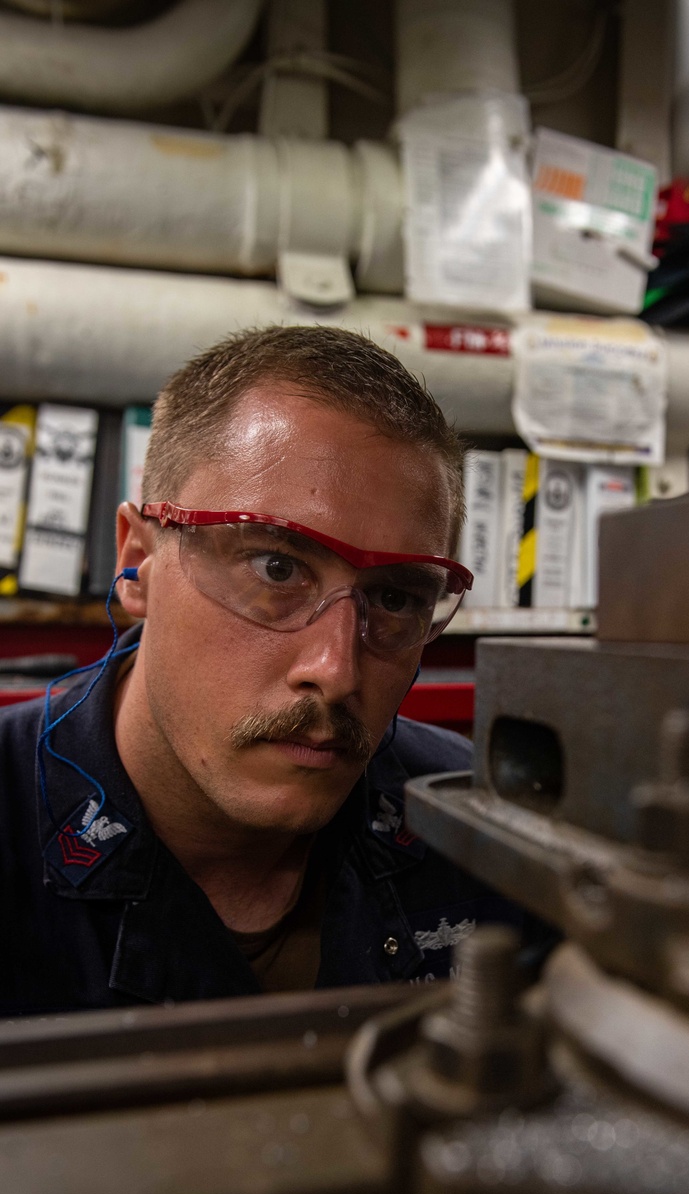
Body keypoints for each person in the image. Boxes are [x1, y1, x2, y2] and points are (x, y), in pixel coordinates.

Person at [0, 327, 544, 1016]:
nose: (336, 671)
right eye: (277, 568)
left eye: (396, 597)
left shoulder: (476, 826)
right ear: (138, 561)